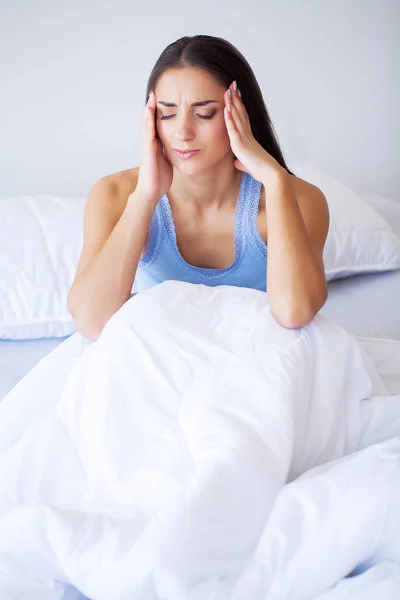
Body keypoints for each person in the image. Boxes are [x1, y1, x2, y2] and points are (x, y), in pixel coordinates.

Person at [67, 34, 330, 342]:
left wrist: (274, 181)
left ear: (242, 113)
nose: (182, 132)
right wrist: (145, 196)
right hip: (158, 361)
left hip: (258, 363)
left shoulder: (298, 199)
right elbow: (91, 322)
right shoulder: (114, 194)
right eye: (167, 113)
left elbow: (295, 313)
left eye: (204, 113)